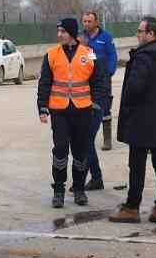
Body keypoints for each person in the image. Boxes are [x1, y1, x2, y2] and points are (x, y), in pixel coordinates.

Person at [109, 17, 156, 225]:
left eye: (140, 31)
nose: (138, 34)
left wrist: (130, 108)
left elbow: (134, 88)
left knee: (137, 164)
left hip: (141, 119)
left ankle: (132, 208)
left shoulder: (143, 57)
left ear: (151, 34)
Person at [37, 18, 108, 209]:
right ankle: (58, 191)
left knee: (80, 152)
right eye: (58, 31)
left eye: (63, 31)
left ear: (72, 33)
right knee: (60, 149)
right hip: (59, 110)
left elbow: (98, 81)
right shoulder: (51, 55)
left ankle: (79, 190)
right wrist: (42, 108)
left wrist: (96, 103)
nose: (59, 34)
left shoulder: (89, 54)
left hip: (83, 110)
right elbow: (44, 83)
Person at [81, 10, 118, 192]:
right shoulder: (83, 39)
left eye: (89, 21)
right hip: (86, 91)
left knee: (103, 117)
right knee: (85, 141)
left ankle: (107, 139)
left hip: (101, 86)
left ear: (96, 22)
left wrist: (108, 73)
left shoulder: (105, 37)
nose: (86, 24)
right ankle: (91, 178)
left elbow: (112, 57)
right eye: (84, 21)